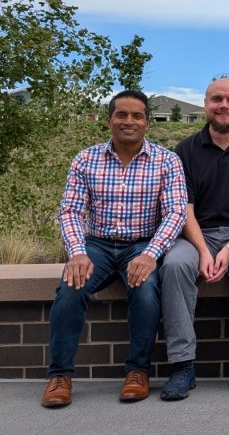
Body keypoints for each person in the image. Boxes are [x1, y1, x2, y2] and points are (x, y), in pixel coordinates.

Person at [42, 90, 187, 408]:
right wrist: (77, 252)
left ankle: (138, 371)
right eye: (121, 115)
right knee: (71, 286)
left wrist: (151, 254)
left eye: (137, 116)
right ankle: (60, 376)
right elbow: (70, 211)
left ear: (147, 123)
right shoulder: (86, 159)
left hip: (142, 244)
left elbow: (176, 213)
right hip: (96, 246)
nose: (129, 121)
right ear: (109, 121)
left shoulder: (167, 161)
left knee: (146, 289)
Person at [159, 75, 229, 400]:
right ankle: (183, 365)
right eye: (217, 99)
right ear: (206, 105)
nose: (224, 105)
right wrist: (204, 251)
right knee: (175, 265)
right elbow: (185, 209)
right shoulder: (185, 151)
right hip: (196, 233)